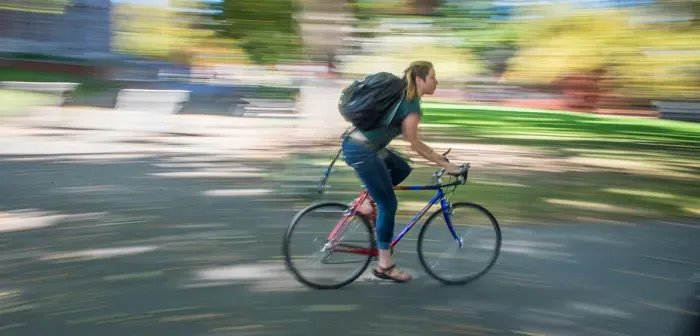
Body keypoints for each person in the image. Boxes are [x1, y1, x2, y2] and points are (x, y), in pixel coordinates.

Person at [340, 61, 462, 283]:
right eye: (433, 77)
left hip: (360, 146)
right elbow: (414, 143)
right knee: (388, 205)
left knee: (401, 167)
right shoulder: (410, 104)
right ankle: (384, 266)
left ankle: (365, 201)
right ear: (419, 79)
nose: (437, 82)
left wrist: (439, 158)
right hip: (362, 151)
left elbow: (415, 142)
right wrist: (446, 165)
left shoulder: (404, 97)